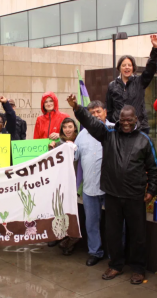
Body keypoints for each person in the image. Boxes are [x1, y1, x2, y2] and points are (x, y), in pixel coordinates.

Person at [67, 94, 157, 285]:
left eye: (129, 120)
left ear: (136, 120)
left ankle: (139, 269)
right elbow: (91, 122)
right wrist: (77, 108)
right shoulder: (108, 134)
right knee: (113, 233)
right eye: (123, 120)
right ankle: (116, 265)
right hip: (113, 195)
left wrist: (152, 190)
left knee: (138, 235)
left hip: (135, 196)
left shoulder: (144, 140)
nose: (125, 123)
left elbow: (153, 168)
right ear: (118, 120)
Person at [74, 100, 114, 266]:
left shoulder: (115, 129)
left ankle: (115, 254)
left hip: (112, 187)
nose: (96, 115)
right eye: (92, 113)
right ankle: (95, 252)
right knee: (91, 223)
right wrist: (59, 146)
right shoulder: (82, 135)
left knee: (115, 223)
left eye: (98, 111)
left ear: (105, 112)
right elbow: (73, 156)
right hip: (90, 187)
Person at [106, 34, 157, 134]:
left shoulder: (140, 82)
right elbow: (109, 109)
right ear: (119, 68)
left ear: (133, 68)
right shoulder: (112, 85)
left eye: (129, 65)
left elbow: (150, 68)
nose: (127, 67)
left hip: (139, 128)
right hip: (119, 129)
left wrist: (155, 49)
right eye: (124, 65)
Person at [47, 117, 79, 252]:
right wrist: (51, 150)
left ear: (75, 128)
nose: (67, 130)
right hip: (60, 183)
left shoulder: (79, 141)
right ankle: (58, 236)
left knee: (71, 212)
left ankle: (70, 241)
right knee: (59, 209)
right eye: (65, 127)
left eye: (70, 127)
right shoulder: (58, 143)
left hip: (75, 183)